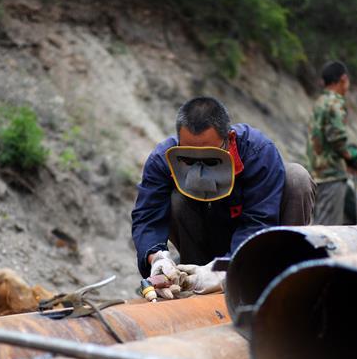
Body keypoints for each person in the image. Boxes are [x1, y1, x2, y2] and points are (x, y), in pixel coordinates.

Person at [131, 96, 316, 298]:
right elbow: (147, 216)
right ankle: (193, 280)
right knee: (175, 198)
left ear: (229, 138)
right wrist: (157, 258)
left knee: (296, 178)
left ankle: (282, 275)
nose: (199, 169)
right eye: (189, 157)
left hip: (256, 250)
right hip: (203, 243)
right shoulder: (163, 158)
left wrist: (222, 271)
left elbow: (259, 222)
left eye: (210, 158)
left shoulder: (258, 152)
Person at [306, 60, 357, 225]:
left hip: (316, 173)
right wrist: (354, 157)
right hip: (331, 175)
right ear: (343, 79)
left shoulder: (319, 102)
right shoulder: (335, 103)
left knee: (318, 223)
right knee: (327, 230)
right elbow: (337, 138)